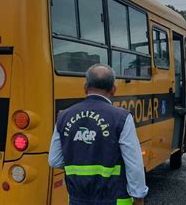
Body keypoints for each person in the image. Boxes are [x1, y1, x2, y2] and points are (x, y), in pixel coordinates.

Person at [48, 64, 148, 205]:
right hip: (113, 199)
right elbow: (134, 163)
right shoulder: (121, 117)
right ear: (114, 89)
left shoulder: (64, 116)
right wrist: (138, 197)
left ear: (85, 87)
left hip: (77, 199)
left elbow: (54, 160)